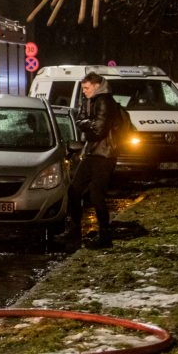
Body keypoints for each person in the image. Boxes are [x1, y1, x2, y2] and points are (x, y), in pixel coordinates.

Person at [56, 72, 121, 249]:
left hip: (105, 153)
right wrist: (87, 123)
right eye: (83, 88)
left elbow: (98, 130)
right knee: (75, 190)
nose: (83, 91)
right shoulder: (90, 100)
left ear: (96, 85)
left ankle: (105, 236)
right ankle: (75, 230)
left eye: (86, 88)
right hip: (93, 151)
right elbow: (79, 120)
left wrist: (87, 124)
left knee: (96, 194)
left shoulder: (104, 101)